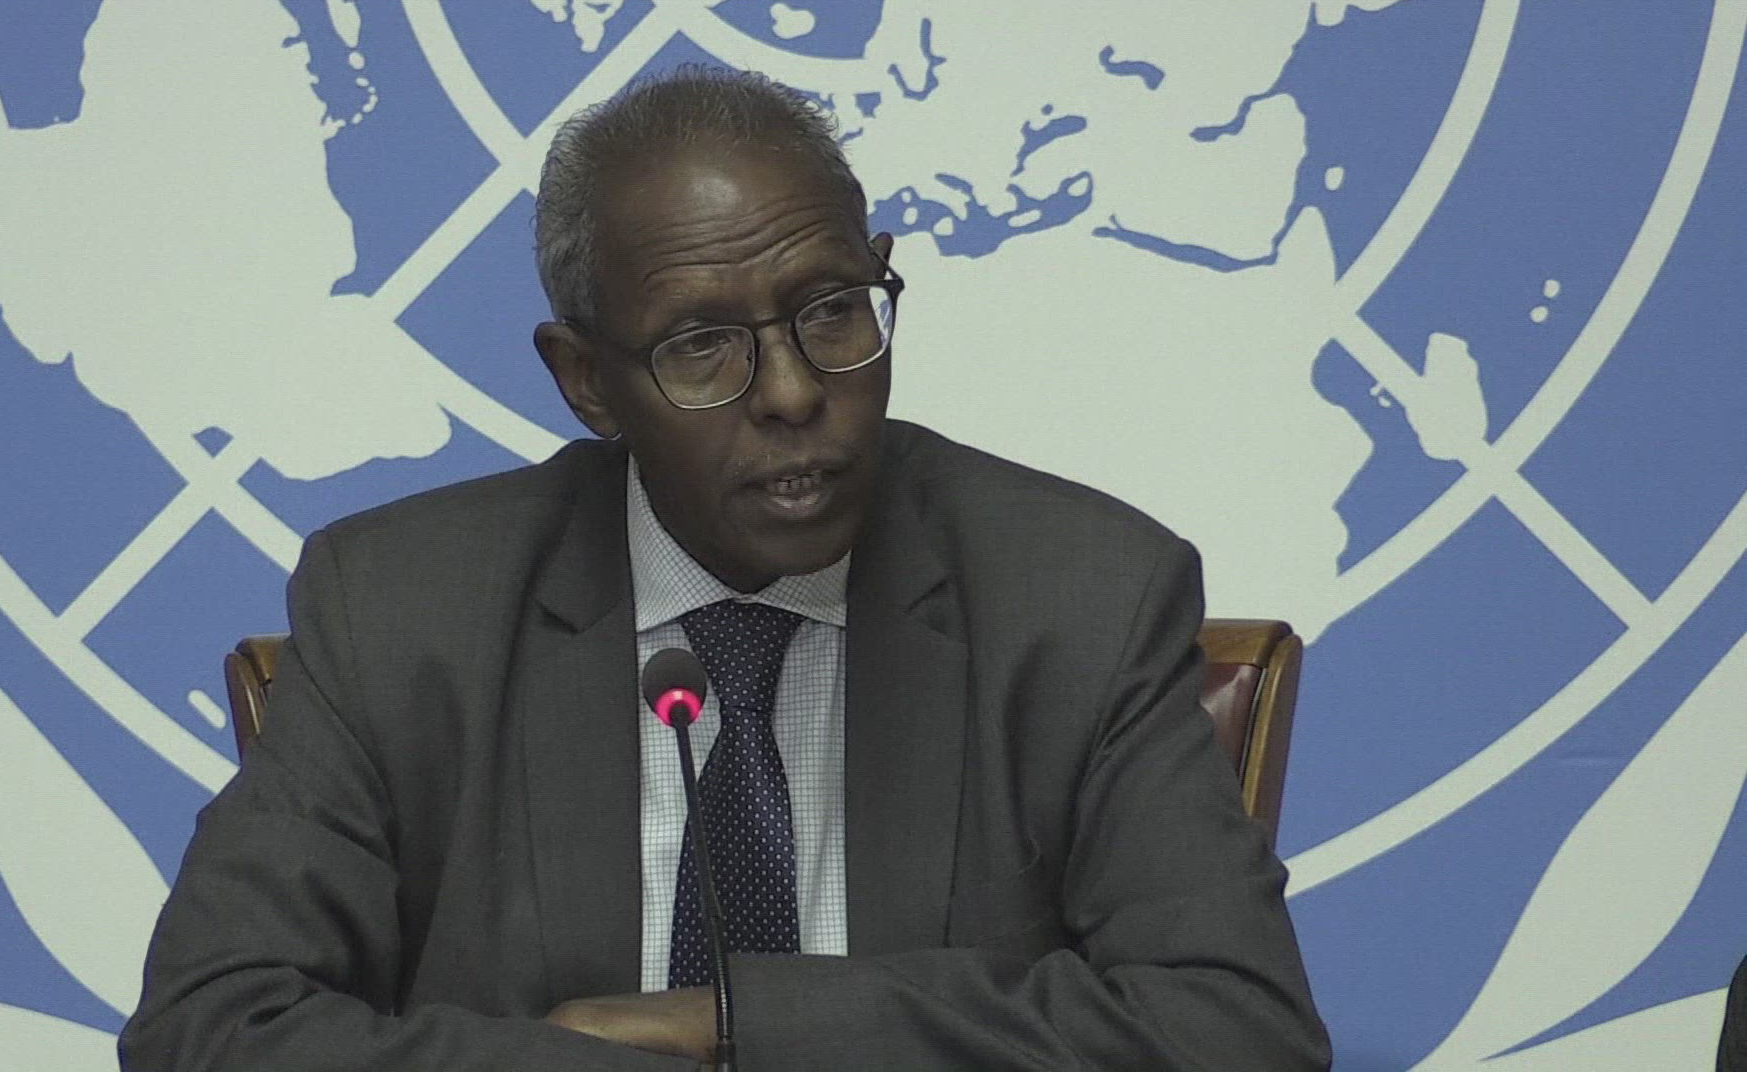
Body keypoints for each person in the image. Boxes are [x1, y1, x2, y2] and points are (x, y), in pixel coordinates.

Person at [120, 66, 1331, 1070]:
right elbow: (209, 1028)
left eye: (833, 310)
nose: (796, 392)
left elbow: (1238, 1030)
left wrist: (736, 1029)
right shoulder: (400, 610)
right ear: (586, 382)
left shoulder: (1080, 596)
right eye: (703, 344)